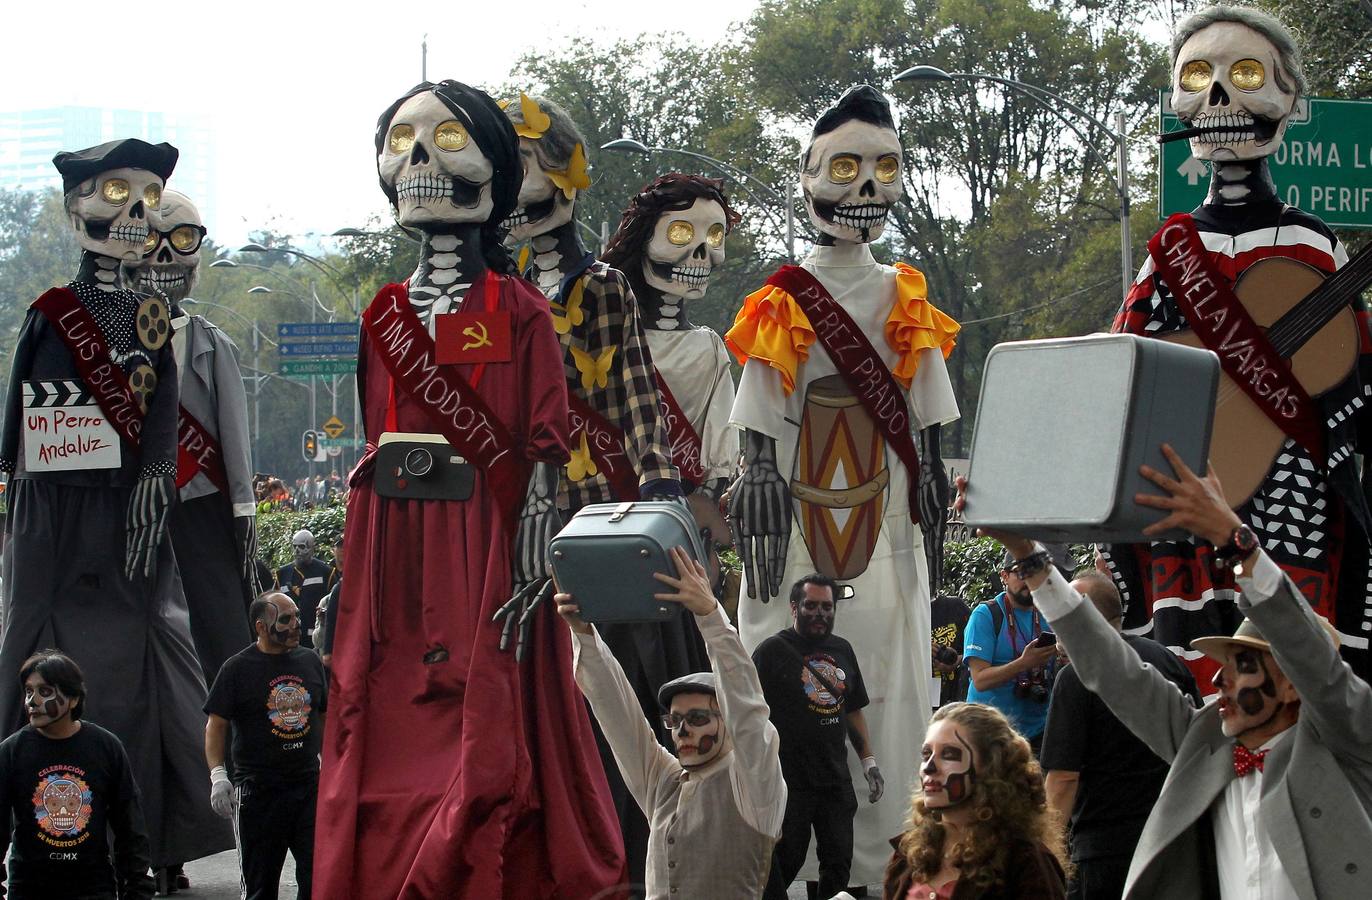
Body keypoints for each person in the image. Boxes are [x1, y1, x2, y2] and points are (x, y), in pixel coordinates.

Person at [959, 444, 1372, 897]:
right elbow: (1111, 668)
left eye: (1243, 665)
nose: (1219, 679)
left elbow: (1313, 661)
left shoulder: (1344, 739)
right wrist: (1028, 556)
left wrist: (1233, 539)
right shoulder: (1204, 742)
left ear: (1293, 684)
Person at [558, 546, 788, 898]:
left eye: (697, 718)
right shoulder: (665, 783)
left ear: (726, 721)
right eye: (675, 720)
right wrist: (584, 634)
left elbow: (748, 710)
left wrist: (710, 616)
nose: (682, 731)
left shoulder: (753, 787)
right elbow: (618, 714)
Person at [1039, 572, 1200, 899]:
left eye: (1063, 615)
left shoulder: (1074, 677)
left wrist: (1045, 854)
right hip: (1170, 842)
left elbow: (1063, 779)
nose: (1057, 628)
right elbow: (1195, 745)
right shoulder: (1166, 659)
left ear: (1085, 618)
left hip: (1104, 850)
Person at [753, 573, 881, 900]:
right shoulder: (771, 652)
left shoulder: (843, 650)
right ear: (794, 607)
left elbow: (852, 709)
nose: (820, 613)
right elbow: (747, 714)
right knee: (784, 861)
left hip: (835, 780)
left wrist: (869, 762)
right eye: (811, 606)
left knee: (839, 863)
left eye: (827, 606)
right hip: (789, 783)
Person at [0, 650, 154, 900]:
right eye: (28, 691)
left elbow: (129, 825)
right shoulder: (11, 752)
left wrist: (137, 889)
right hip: (30, 888)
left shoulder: (105, 747)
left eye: (44, 691)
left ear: (73, 698)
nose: (32, 701)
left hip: (92, 888)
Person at [204, 592, 327, 900]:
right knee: (260, 886)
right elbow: (216, 725)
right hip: (259, 793)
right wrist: (218, 775)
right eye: (285, 619)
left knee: (318, 881)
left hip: (308, 788)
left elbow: (323, 715)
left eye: (297, 616)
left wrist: (331, 763)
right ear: (261, 627)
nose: (295, 624)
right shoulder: (237, 669)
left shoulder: (309, 661)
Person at [881, 702, 1067, 899]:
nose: (929, 767)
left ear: (989, 767)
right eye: (926, 754)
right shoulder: (909, 854)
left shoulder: (1024, 862)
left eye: (949, 755)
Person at [963, 547, 1074, 754]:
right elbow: (980, 680)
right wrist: (1023, 663)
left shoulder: (1048, 613)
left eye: (1034, 574)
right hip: (990, 733)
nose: (1028, 580)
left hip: (1039, 731)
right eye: (1021, 573)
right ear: (1004, 576)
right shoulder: (986, 615)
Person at [274, 530, 332, 650]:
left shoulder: (326, 572)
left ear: (312, 548)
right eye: (294, 546)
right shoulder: (282, 574)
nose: (297, 551)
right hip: (290, 640)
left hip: (317, 640)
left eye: (301, 547)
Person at [929, 594, 970, 710]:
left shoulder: (954, 606)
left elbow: (979, 649)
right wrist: (920, 649)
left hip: (957, 696)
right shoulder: (901, 615)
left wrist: (958, 660)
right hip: (919, 697)